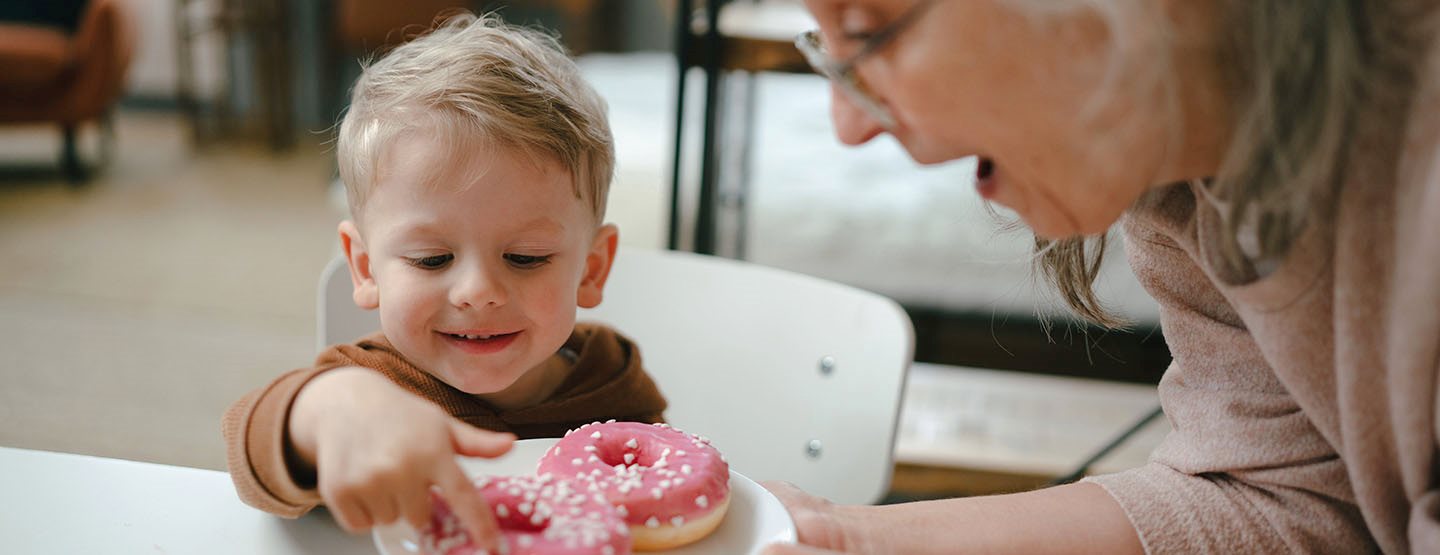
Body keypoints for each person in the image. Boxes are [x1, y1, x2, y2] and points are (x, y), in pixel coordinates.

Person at [766, 0, 1439, 553]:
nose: (847, 124)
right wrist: (843, 539)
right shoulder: (1184, 176)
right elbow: (1284, 497)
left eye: (866, 32)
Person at [221, 13, 666, 552]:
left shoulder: (609, 380)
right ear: (365, 269)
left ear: (591, 270)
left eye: (526, 258)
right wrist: (325, 408)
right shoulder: (370, 386)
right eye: (432, 259)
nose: (478, 291)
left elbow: (659, 510)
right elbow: (251, 457)